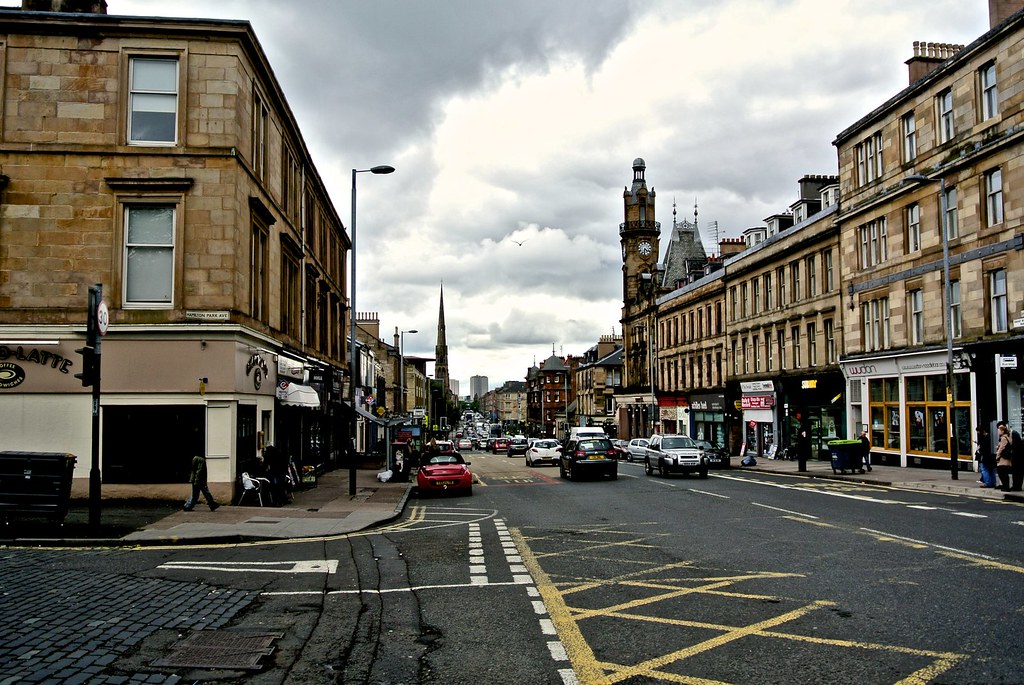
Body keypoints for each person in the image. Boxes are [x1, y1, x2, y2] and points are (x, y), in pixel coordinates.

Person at [995, 422, 1013, 492]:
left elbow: (1002, 448)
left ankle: (1006, 486)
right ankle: (1005, 486)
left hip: (1003, 458)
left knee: (1002, 472)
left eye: (999, 431)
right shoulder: (1008, 436)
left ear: (1002, 431)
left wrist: (997, 456)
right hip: (1007, 457)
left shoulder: (1004, 438)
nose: (998, 432)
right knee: (1004, 472)